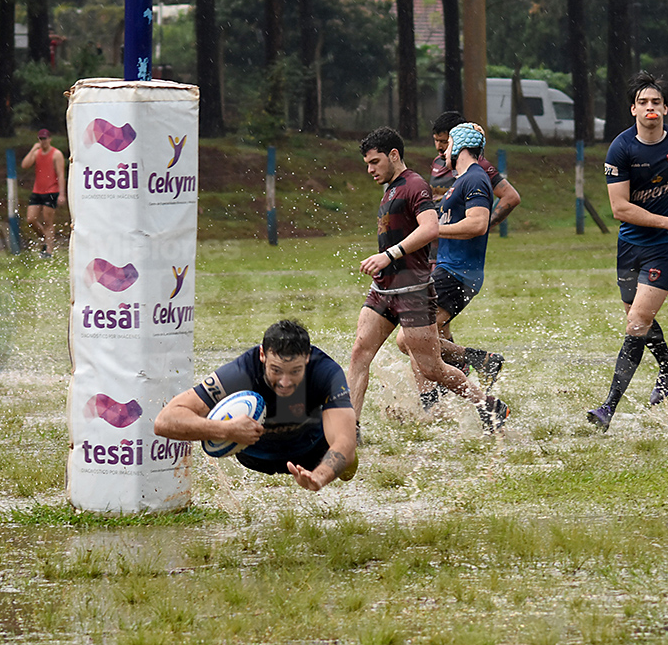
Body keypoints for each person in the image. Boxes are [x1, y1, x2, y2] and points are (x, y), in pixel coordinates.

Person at [346, 126, 509, 434]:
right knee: (360, 353)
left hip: (413, 290)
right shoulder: (391, 189)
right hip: (384, 287)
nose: (370, 170)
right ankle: (350, 428)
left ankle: (488, 405)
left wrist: (389, 255)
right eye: (367, 164)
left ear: (394, 155)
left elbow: (431, 227)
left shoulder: (414, 185)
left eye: (375, 162)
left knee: (432, 368)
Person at [587, 72, 668, 430]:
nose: (650, 107)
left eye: (656, 102)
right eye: (643, 102)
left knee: (637, 322)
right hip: (630, 244)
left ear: (665, 108)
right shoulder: (621, 149)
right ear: (633, 109)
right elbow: (619, 208)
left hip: (666, 247)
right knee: (636, 316)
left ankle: (607, 408)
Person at [154, 320, 358, 491]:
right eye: (276, 370)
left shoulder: (326, 372)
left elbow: (345, 441)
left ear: (307, 358)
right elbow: (165, 421)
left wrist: (320, 477)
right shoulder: (241, 372)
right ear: (262, 355)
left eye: (295, 371)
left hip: (311, 451)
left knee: (348, 460)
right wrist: (225, 429)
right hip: (255, 455)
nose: (285, 382)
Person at [396, 122, 507, 410]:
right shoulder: (462, 180)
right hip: (448, 270)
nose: (443, 151)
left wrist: (432, 230)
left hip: (458, 273)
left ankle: (437, 402)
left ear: (459, 146)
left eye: (448, 145)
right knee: (411, 339)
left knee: (412, 338)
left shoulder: (475, 178)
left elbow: (478, 223)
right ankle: (479, 363)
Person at [21, 128, 67, 258]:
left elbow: (60, 174)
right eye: (41, 139)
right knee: (31, 219)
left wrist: (62, 194)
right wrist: (32, 150)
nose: (43, 141)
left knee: (48, 221)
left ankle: (49, 251)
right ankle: (45, 239)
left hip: (51, 190)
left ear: (49, 139)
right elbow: (25, 165)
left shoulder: (56, 154)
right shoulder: (37, 153)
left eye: (45, 139)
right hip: (37, 190)